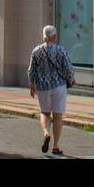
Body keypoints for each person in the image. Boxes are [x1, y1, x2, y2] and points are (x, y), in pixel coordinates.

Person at [28, 25, 75, 155]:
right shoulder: (60, 50)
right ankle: (55, 146)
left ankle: (46, 133)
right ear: (54, 36)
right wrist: (71, 79)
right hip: (59, 86)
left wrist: (32, 85)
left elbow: (31, 70)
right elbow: (68, 68)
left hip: (43, 86)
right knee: (58, 116)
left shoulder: (36, 51)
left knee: (44, 113)